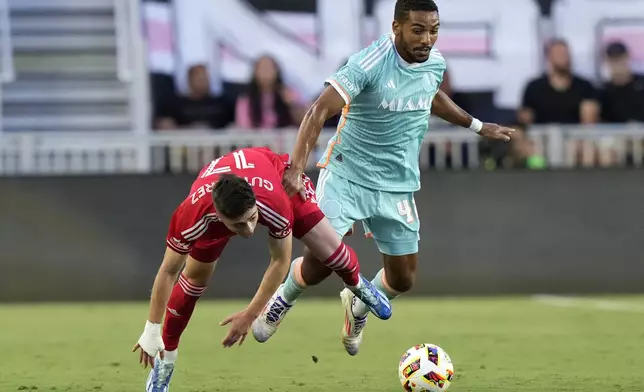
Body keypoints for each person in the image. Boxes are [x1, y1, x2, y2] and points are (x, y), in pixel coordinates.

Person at [251, 0, 513, 356]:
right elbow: (318, 111)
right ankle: (281, 301)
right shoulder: (368, 63)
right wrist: (297, 167)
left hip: (397, 184)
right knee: (320, 263)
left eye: (434, 30)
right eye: (418, 30)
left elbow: (430, 96)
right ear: (396, 27)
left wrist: (478, 126)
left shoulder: (434, 64)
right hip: (347, 173)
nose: (427, 39)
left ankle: (357, 307)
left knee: (403, 278)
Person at [132, 147, 391, 392]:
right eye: (238, 225)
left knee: (330, 247)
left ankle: (358, 285)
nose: (249, 230)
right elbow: (168, 272)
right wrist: (151, 329)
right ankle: (166, 361)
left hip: (275, 177)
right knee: (194, 279)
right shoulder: (192, 215)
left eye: (252, 219)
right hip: (217, 202)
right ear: (220, 217)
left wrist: (250, 315)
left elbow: (280, 261)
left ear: (255, 205)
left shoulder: (273, 202)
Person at [235, 55, 306, 129]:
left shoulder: (289, 93)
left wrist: (292, 104)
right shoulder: (246, 100)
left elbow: (304, 122)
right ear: (255, 72)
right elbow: (243, 128)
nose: (265, 72)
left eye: (269, 68)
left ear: (277, 71)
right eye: (262, 68)